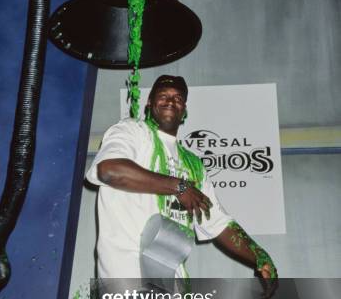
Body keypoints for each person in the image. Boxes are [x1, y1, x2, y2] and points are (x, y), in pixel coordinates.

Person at [86, 74, 277, 285]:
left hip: (172, 285)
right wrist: (178, 186)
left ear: (184, 110)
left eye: (178, 98)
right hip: (124, 277)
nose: (170, 101)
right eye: (163, 96)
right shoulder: (133, 131)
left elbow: (217, 222)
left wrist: (259, 256)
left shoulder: (192, 163)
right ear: (149, 103)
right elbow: (109, 170)